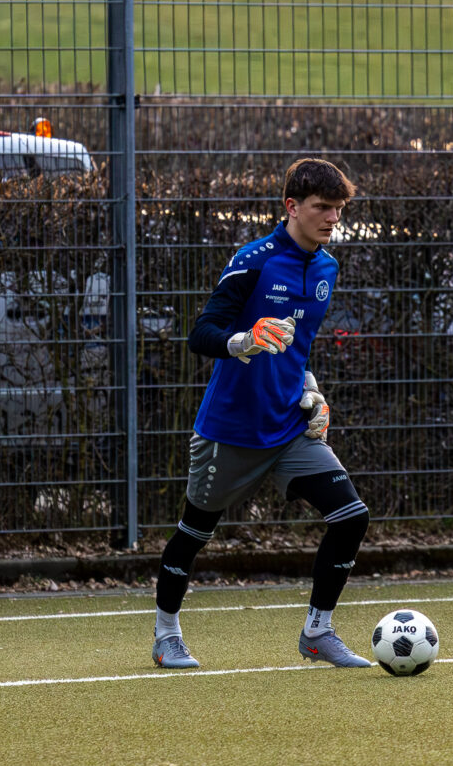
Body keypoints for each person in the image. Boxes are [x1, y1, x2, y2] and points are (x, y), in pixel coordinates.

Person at [152, 157, 370, 669]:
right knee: (194, 533)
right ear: (291, 206)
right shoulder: (254, 260)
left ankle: (317, 632)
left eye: (338, 209)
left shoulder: (327, 268)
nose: (333, 218)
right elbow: (201, 333)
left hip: (289, 428)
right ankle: (166, 636)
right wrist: (243, 341)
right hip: (229, 430)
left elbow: (300, 348)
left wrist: (312, 393)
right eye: (322, 207)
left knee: (351, 517)